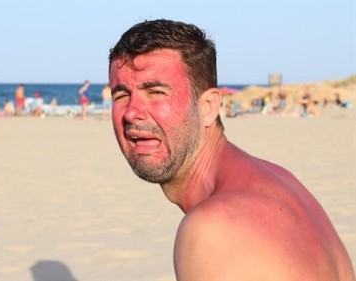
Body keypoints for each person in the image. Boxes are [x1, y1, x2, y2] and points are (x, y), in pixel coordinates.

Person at [108, 19, 354, 280]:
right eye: (121, 95)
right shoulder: (282, 181)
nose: (132, 112)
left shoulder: (212, 229)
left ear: (208, 107)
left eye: (156, 92)